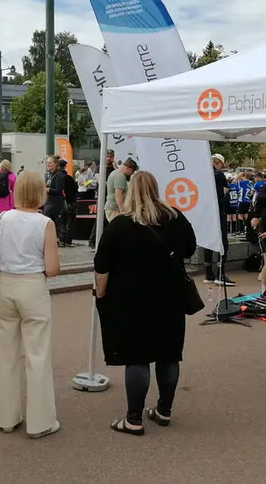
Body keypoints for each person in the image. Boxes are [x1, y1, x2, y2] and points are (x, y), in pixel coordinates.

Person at [94, 171, 196, 437]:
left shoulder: (120, 224)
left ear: (130, 191)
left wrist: (101, 294)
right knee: (169, 354)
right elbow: (190, 249)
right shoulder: (175, 217)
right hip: (170, 296)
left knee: (137, 357)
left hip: (130, 299)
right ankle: (164, 410)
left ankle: (134, 418)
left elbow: (101, 264)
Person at [0, 170, 61, 439]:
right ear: (40, 193)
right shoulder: (45, 223)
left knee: (5, 353)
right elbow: (52, 269)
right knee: (37, 354)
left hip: (5, 286)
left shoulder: (2, 218)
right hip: (32, 286)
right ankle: (40, 421)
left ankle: (7, 417)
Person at [203, 153, 233, 287]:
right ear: (219, 163)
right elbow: (224, 194)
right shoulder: (219, 175)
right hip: (218, 210)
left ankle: (208, 273)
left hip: (206, 210)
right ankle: (220, 273)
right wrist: (227, 194)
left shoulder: (203, 174)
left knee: (208, 240)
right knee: (223, 241)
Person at [105, 158, 136, 222]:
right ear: (128, 168)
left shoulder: (115, 173)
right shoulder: (120, 176)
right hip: (115, 210)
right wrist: (123, 211)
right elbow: (118, 194)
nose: (132, 173)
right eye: (132, 171)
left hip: (113, 208)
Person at [43, 155, 66, 230]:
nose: (48, 164)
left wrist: (48, 190)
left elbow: (59, 190)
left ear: (55, 164)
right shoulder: (50, 175)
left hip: (55, 203)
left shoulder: (59, 175)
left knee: (49, 222)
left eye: (50, 162)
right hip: (48, 202)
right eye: (47, 163)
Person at [60, 159, 78, 247]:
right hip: (71, 201)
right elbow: (75, 189)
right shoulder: (69, 178)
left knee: (62, 221)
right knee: (70, 221)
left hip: (61, 202)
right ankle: (68, 240)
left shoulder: (56, 177)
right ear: (65, 166)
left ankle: (62, 239)